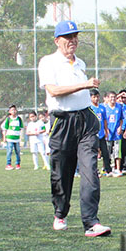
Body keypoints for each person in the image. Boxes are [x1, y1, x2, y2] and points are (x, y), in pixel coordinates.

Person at [37, 20, 110, 236]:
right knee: (62, 173)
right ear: (57, 41)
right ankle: (60, 213)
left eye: (75, 36)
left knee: (90, 171)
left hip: (85, 120)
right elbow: (54, 91)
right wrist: (85, 84)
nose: (73, 41)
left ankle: (91, 222)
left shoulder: (80, 63)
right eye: (68, 37)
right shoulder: (48, 62)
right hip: (62, 122)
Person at [2, 105, 23, 170]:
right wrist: (4, 138)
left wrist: (20, 137)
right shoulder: (8, 119)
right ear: (9, 111)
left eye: (14, 110)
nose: (13, 111)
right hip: (10, 138)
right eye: (12, 110)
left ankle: (18, 164)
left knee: (18, 151)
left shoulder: (19, 119)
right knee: (9, 151)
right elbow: (5, 129)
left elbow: (21, 128)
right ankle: (8, 164)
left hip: (17, 139)